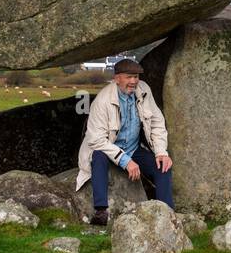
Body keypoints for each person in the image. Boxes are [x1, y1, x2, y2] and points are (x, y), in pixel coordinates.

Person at [73, 58, 173, 225]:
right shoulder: (102, 101)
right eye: (128, 77)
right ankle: (101, 212)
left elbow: (156, 122)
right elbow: (97, 140)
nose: (133, 81)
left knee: (163, 166)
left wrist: (161, 152)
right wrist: (126, 162)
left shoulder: (144, 90)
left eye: (136, 77)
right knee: (98, 157)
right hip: (106, 148)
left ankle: (166, 214)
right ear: (117, 78)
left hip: (132, 149)